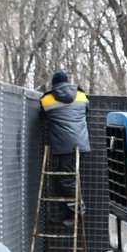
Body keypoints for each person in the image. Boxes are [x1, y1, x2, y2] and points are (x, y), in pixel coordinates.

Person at [39, 70, 91, 225]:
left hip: (63, 145)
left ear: (53, 85)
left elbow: (41, 116)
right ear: (68, 82)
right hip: (80, 144)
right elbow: (87, 110)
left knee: (67, 180)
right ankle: (66, 213)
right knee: (61, 180)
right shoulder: (81, 96)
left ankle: (78, 213)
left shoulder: (47, 99)